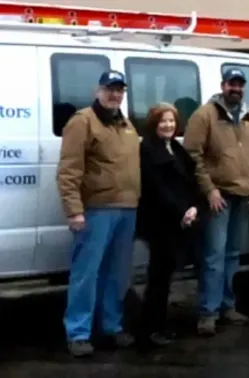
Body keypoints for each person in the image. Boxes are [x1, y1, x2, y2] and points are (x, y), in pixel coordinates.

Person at [183, 68, 249, 336]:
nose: (236, 89)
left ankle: (227, 305)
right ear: (222, 85)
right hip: (218, 199)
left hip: (245, 197)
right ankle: (208, 312)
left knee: (233, 254)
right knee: (214, 256)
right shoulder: (204, 116)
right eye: (231, 84)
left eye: (239, 84)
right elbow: (192, 157)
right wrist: (209, 190)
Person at [57, 70, 140, 357]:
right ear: (98, 91)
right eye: (109, 89)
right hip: (96, 209)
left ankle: (111, 327)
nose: (115, 95)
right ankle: (78, 333)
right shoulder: (82, 121)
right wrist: (74, 210)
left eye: (119, 90)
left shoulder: (126, 124)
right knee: (86, 273)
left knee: (117, 274)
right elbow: (69, 171)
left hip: (127, 208)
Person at [136, 103, 206, 347]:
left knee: (166, 275)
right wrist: (182, 211)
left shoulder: (175, 147)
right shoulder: (147, 149)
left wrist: (194, 206)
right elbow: (156, 187)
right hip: (160, 222)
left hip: (180, 220)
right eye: (163, 121)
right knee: (158, 277)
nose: (168, 125)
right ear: (153, 124)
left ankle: (159, 324)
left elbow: (190, 181)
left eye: (172, 121)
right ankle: (150, 329)